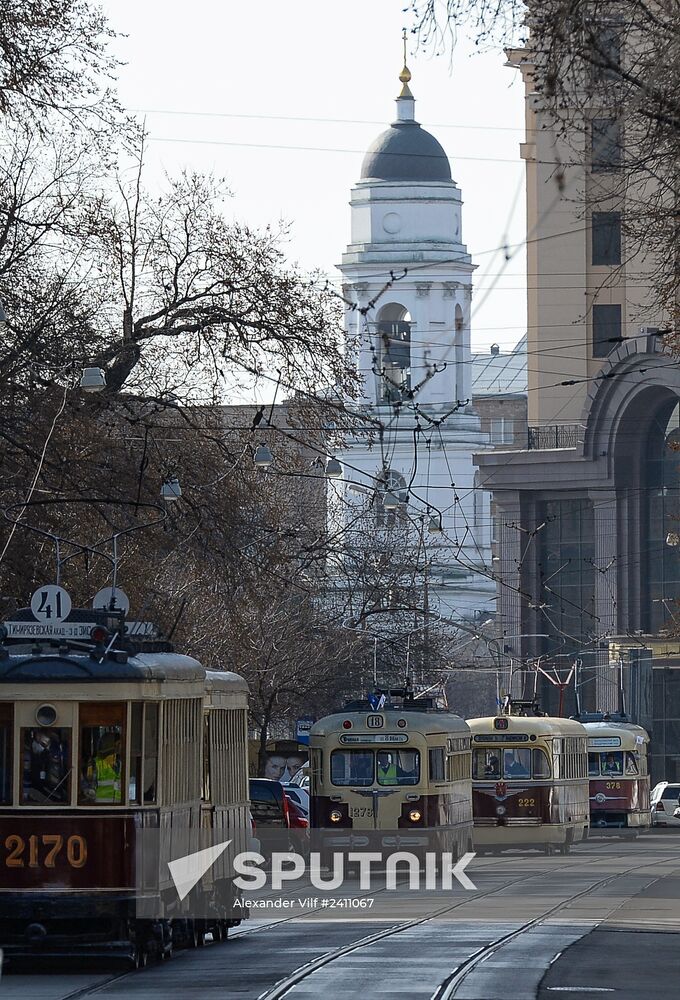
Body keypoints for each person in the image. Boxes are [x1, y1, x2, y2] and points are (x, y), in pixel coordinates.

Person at [82, 731, 121, 803]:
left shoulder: (120, 763)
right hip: (101, 808)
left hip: (119, 807)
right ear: (110, 745)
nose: (121, 747)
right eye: (118, 744)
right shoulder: (95, 763)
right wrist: (91, 792)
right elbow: (88, 788)